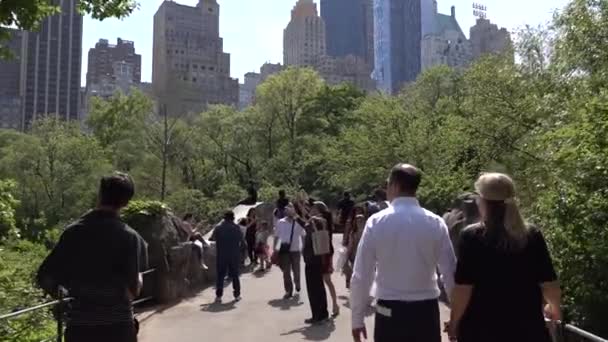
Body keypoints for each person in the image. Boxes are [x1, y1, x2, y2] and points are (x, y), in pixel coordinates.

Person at [447, 173, 561, 342]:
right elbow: (549, 283)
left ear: (482, 200)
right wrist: (555, 308)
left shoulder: (472, 236)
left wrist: (454, 322)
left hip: (481, 329)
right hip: (527, 329)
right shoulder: (531, 235)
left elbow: (463, 288)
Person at [37, 172, 148, 342]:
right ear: (126, 202)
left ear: (100, 195)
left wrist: (69, 300)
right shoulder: (130, 237)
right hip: (118, 329)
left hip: (80, 329)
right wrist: (138, 277)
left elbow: (45, 277)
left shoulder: (73, 232)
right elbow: (133, 290)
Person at [351, 164, 456, 342]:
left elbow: (362, 275)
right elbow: (450, 272)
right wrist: (456, 315)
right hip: (426, 311)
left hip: (388, 311)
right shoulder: (435, 222)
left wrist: (357, 319)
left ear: (394, 185)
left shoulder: (376, 222)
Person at [300, 214, 331, 325]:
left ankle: (319, 316)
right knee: (316, 290)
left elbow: (302, 223)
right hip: (314, 264)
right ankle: (319, 315)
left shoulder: (313, 232)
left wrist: (295, 215)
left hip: (313, 264)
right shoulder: (317, 232)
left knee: (315, 291)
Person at [211, 211, 246, 303]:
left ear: (224, 218)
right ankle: (237, 295)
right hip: (234, 255)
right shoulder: (236, 228)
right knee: (235, 275)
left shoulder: (218, 228)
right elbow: (242, 242)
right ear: (233, 218)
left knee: (220, 276)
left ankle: (219, 296)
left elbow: (212, 238)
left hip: (222, 255)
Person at [313, 201, 340, 317]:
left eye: (313, 207)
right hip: (322, 251)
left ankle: (335, 304)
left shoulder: (322, 220)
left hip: (325, 252)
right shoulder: (319, 218)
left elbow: (306, 217)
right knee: (324, 281)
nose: (311, 209)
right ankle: (333, 304)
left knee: (327, 280)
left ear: (318, 209)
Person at [274, 203, 306, 299]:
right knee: (286, 272)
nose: (288, 211)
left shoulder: (298, 222)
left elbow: (303, 235)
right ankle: (288, 290)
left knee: (296, 270)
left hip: (295, 250)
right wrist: (276, 249)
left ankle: (297, 283)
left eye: (290, 209)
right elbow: (277, 237)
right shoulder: (280, 222)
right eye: (286, 209)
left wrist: (304, 248)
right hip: (284, 251)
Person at [343, 213, 366, 289]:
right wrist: (346, 258)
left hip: (366, 257)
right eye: (357, 221)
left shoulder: (368, 232)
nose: (359, 222)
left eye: (361, 221)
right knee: (356, 275)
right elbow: (350, 246)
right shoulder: (353, 233)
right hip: (354, 256)